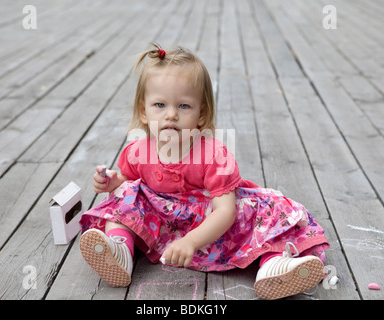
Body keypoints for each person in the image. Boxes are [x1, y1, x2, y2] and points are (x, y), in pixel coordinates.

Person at [78, 43, 329, 300]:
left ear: (201, 113)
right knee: (124, 193)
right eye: (160, 105)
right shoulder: (137, 151)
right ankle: (119, 250)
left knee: (267, 214)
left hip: (211, 224)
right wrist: (110, 181)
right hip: (164, 221)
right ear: (144, 111)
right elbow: (127, 182)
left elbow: (225, 211)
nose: (171, 115)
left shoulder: (213, 154)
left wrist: (191, 242)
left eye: (184, 106)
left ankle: (275, 264)